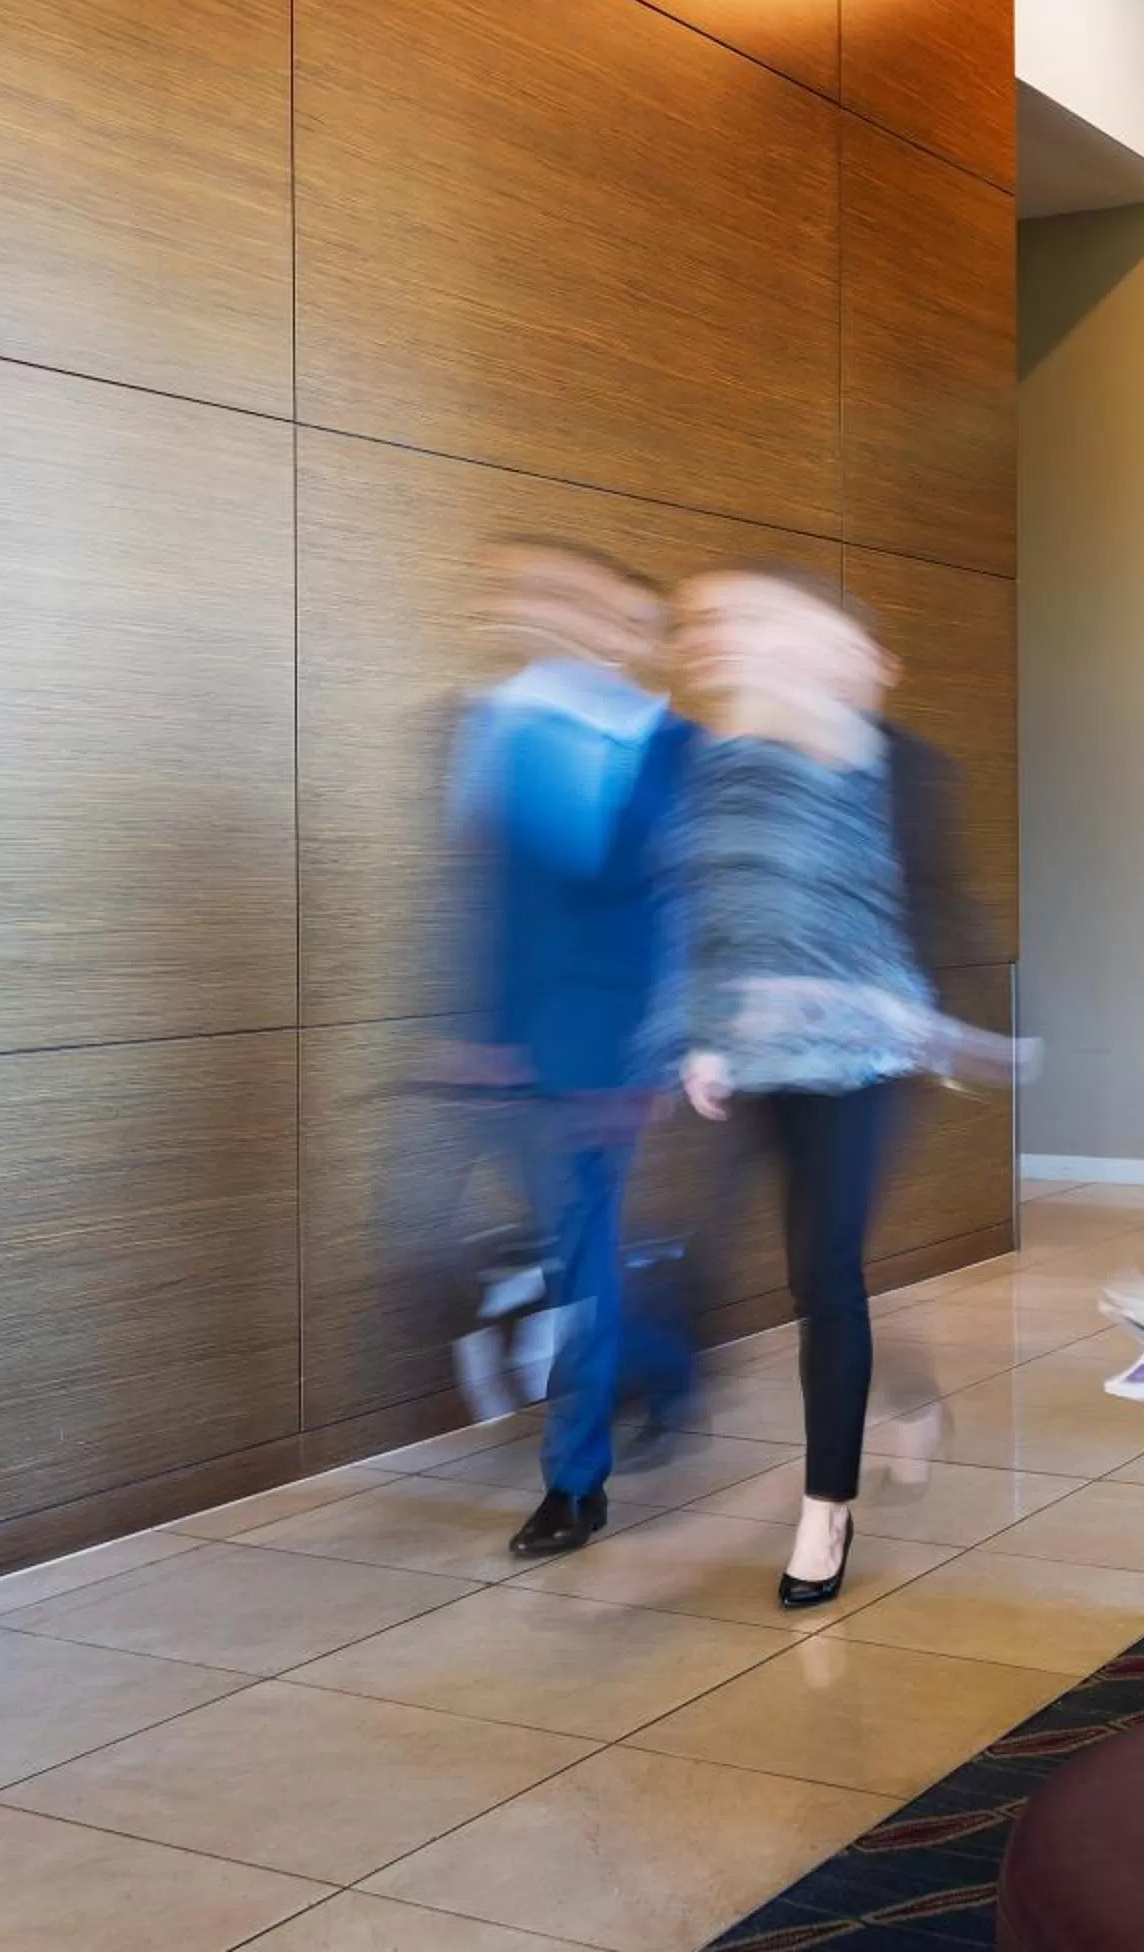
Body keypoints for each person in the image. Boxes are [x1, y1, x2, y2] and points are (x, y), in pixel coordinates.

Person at [649, 564, 942, 1607]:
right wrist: (700, 1033)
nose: (714, 640)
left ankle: (827, 1509)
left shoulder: (876, 761)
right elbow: (700, 904)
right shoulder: (718, 761)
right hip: (751, 1059)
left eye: (740, 621)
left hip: (857, 1060)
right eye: (706, 625)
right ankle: (903, 1387)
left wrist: (884, 1013)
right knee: (761, 1260)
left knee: (823, 1273)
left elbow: (890, 918)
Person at [448, 539, 699, 1560]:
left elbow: (682, 905)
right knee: (545, 1254)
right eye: (537, 594)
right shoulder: (496, 727)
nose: (563, 618)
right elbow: (482, 895)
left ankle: (575, 1481)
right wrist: (479, 1034)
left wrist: (668, 1049)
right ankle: (662, 1360)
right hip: (508, 1044)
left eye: (598, 608)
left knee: (581, 1254)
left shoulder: (673, 744)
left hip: (611, 1049)